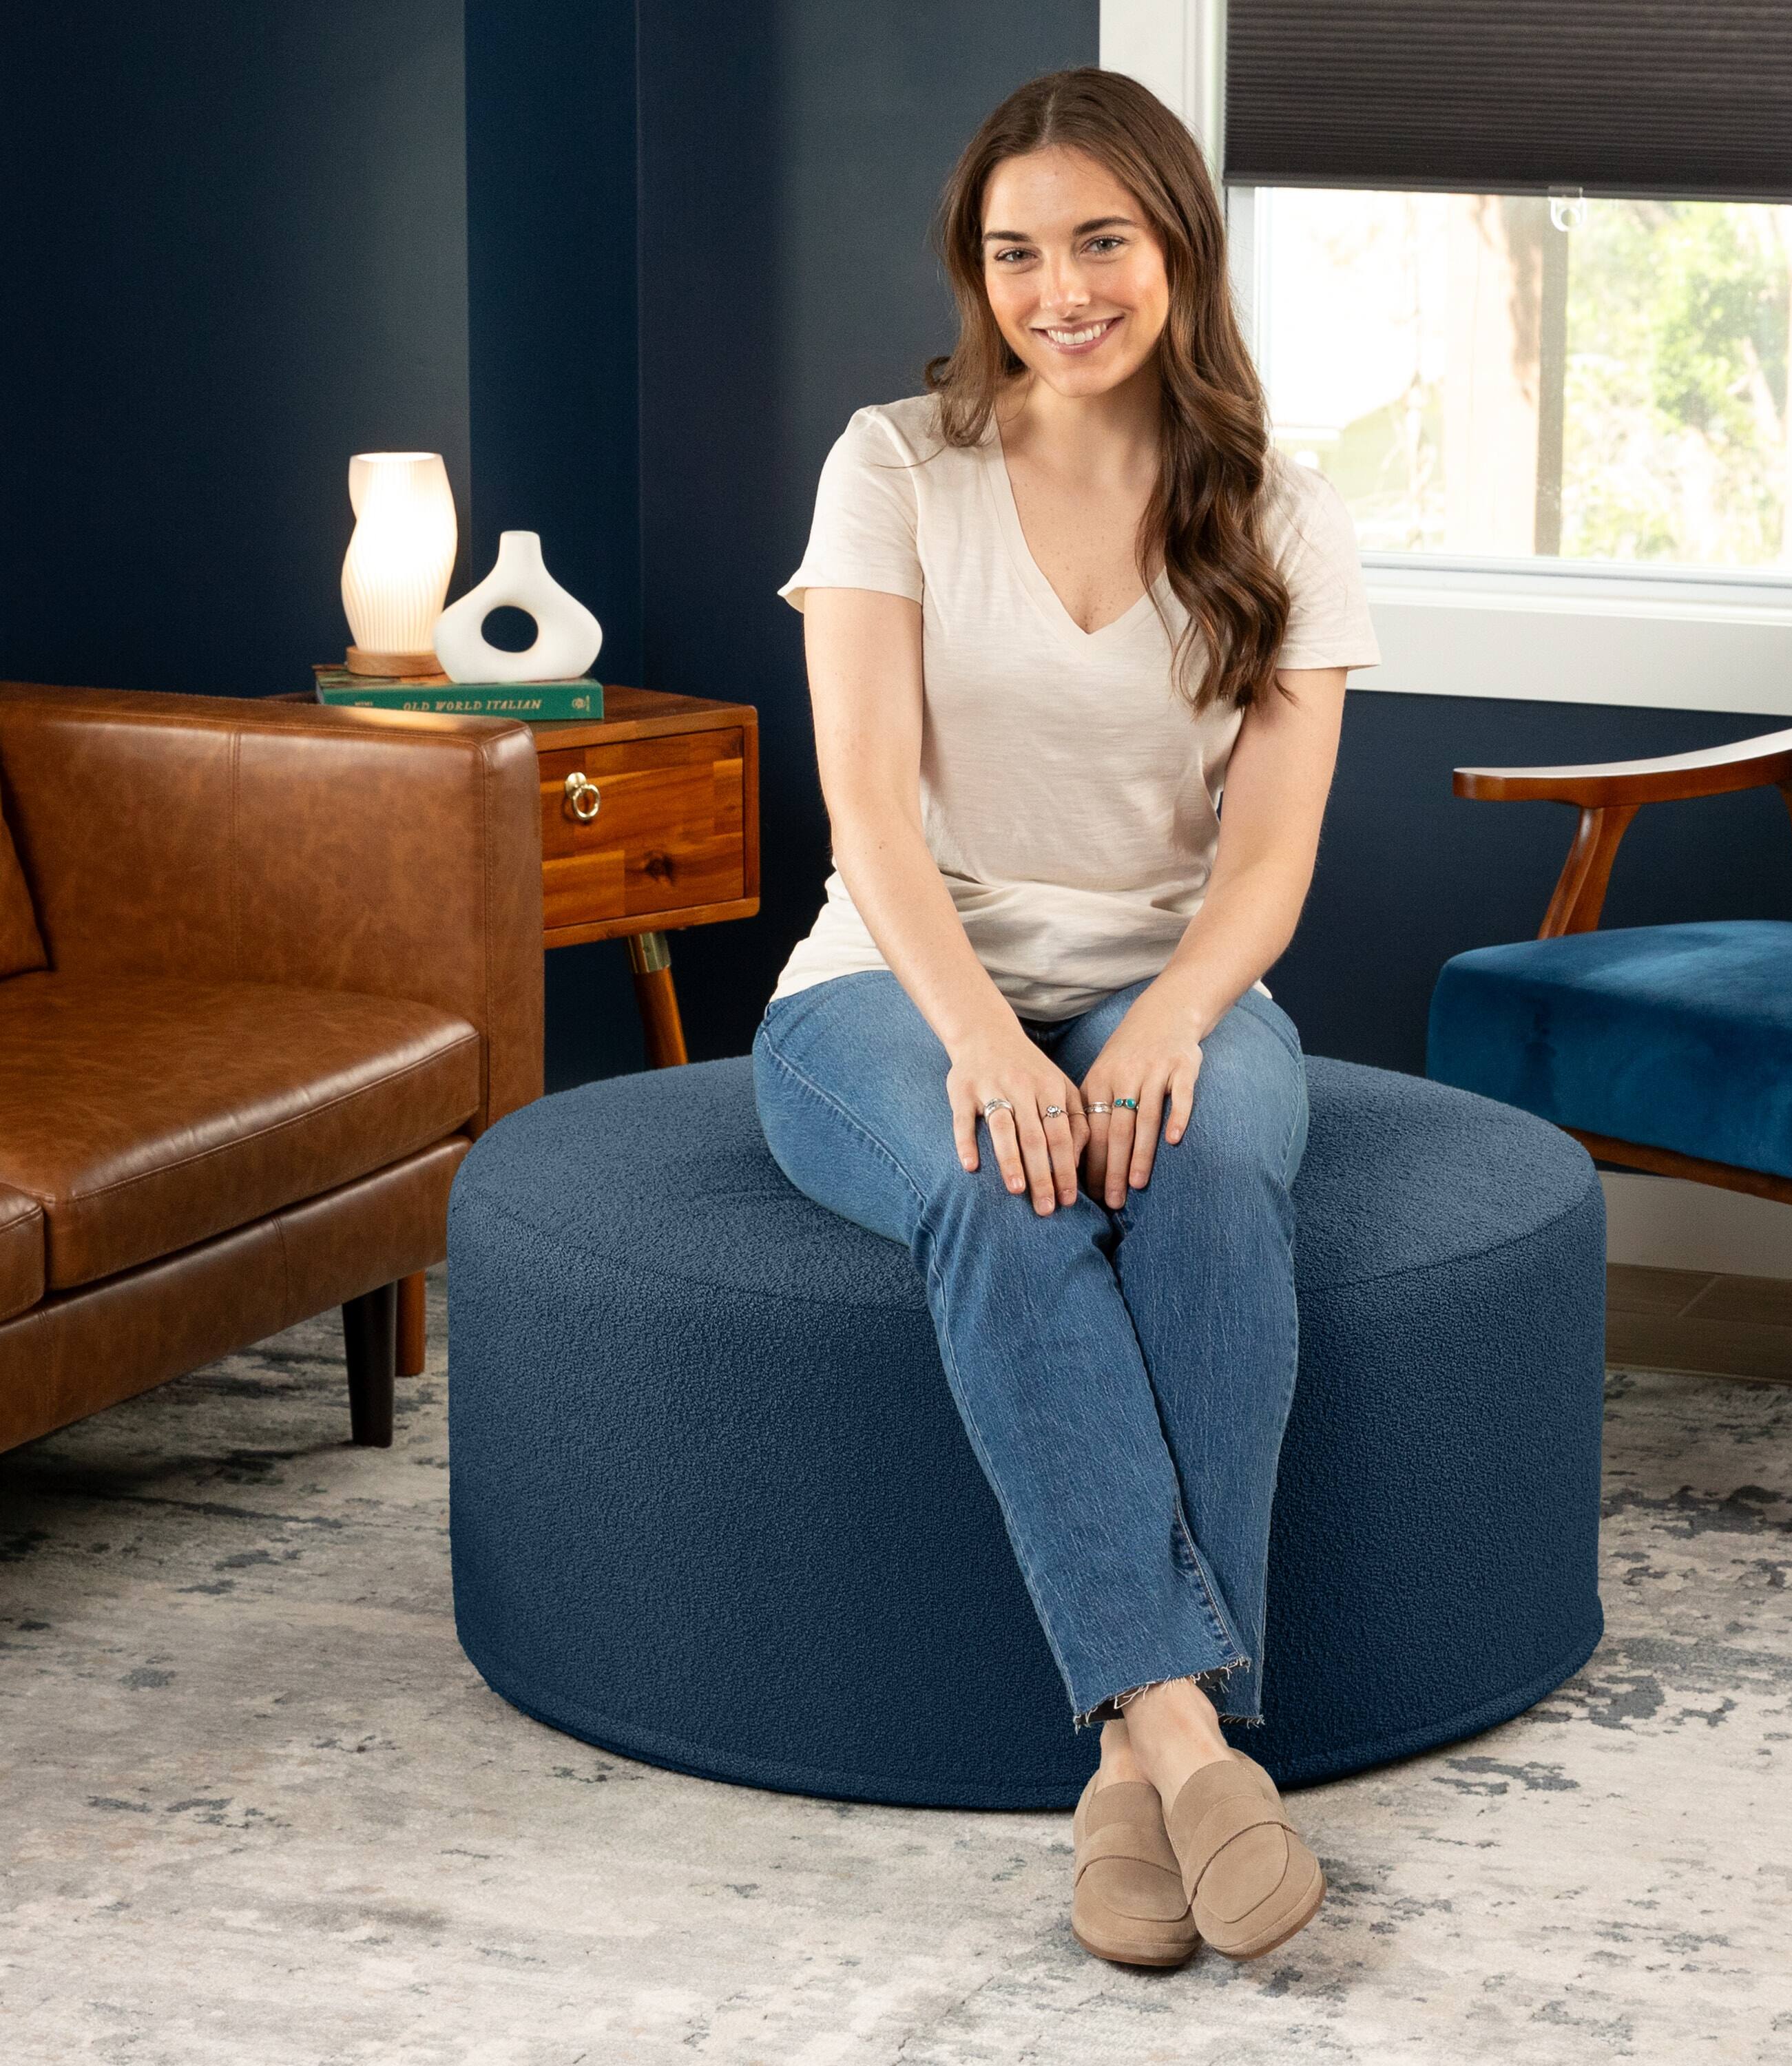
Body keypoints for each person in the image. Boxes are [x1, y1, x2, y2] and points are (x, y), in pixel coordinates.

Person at [751, 65, 1380, 1968]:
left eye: (1101, 241)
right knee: (1003, 1186)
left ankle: (1122, 1776)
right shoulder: (893, 467)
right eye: (1016, 253)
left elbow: (1266, 864)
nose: (1061, 288)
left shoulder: (1278, 508)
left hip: (1175, 979)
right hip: (893, 977)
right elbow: (866, 817)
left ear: (1178, 246)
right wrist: (988, 1044)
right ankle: (1186, 1728)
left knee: (1196, 1180)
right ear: (979, 272)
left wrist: (1177, 1013)